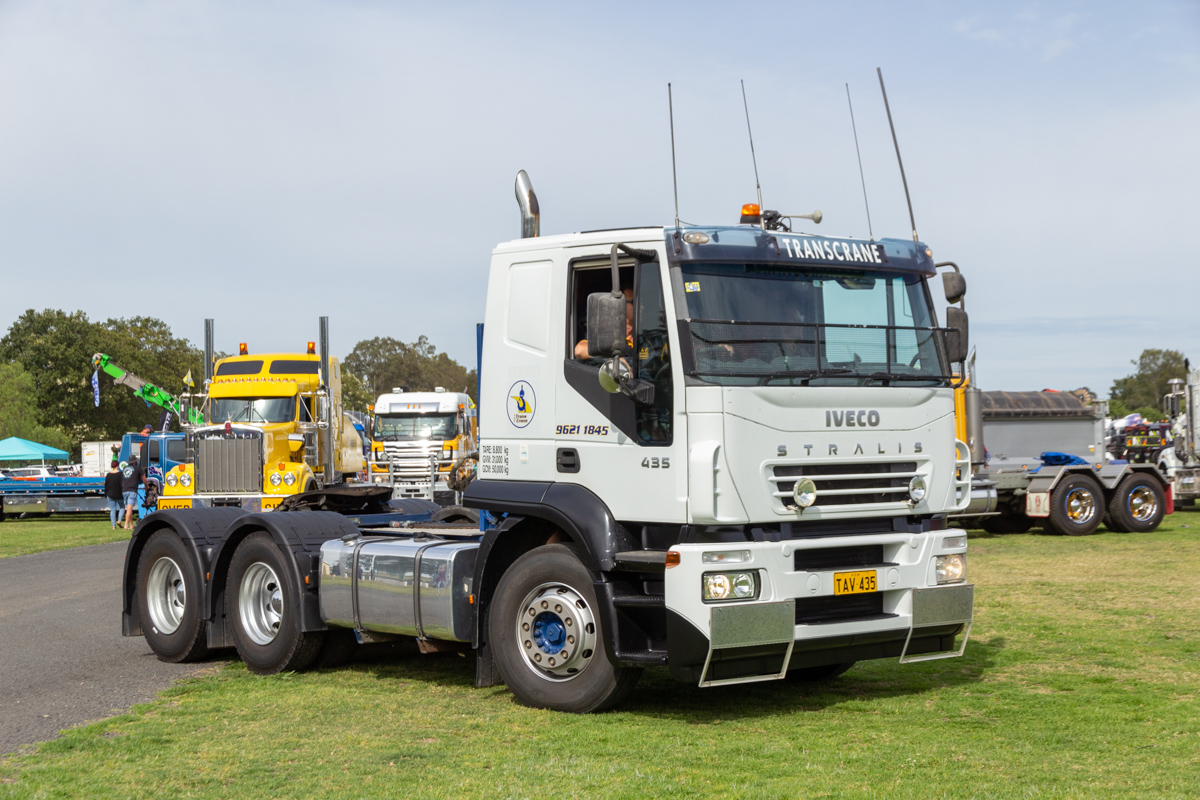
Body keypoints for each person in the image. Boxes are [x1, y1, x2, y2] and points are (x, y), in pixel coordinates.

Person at [575, 287, 634, 360]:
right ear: (619, 305)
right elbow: (580, 350)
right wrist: (615, 358)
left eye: (641, 302)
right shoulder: (607, 333)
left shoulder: (643, 336)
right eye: (633, 302)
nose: (641, 307)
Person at [120, 458, 143, 531]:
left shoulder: (124, 469)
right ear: (135, 462)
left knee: (128, 508)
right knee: (129, 508)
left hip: (124, 490)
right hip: (132, 490)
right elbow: (144, 479)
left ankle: (131, 524)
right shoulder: (138, 469)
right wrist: (146, 486)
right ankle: (126, 525)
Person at [103, 460, 124, 530]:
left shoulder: (108, 475)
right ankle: (119, 520)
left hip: (110, 494)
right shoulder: (121, 474)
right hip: (119, 494)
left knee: (113, 510)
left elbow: (106, 485)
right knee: (122, 507)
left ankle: (113, 526)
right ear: (117, 466)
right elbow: (122, 485)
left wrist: (106, 494)